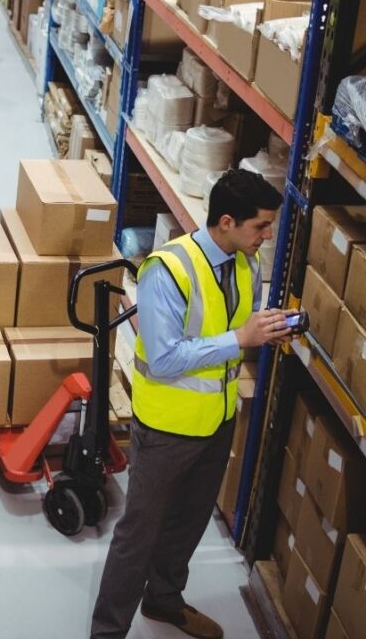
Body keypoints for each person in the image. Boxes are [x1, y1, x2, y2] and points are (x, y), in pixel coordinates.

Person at [90, 169, 292, 639]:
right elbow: (164, 359)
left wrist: (265, 329)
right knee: (138, 535)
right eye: (261, 226)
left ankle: (163, 600)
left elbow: (236, 326)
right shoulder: (167, 270)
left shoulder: (246, 263)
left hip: (217, 421)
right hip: (166, 429)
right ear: (227, 221)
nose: (267, 235)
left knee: (188, 524)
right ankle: (107, 631)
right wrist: (239, 338)